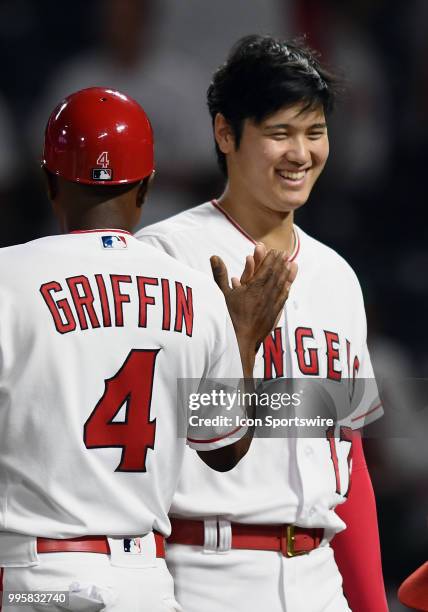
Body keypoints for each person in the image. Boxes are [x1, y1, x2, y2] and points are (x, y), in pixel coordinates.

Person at [0, 87, 294, 611]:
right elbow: (223, 449)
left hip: (36, 580)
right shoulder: (197, 293)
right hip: (144, 583)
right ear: (146, 189)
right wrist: (243, 339)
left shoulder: (7, 278)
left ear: (50, 181)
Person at [136, 35, 388, 611]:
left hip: (319, 579)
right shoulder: (167, 258)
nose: (300, 152)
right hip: (204, 572)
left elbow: (347, 459)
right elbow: (145, 435)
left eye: (314, 132)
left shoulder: (337, 276)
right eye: (280, 133)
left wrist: (370, 604)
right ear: (226, 134)